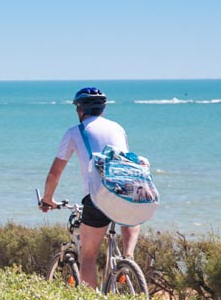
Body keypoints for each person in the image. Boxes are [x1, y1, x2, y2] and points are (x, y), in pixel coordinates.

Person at [39, 87, 146, 289]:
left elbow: (55, 173)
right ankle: (128, 258)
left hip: (98, 197)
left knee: (88, 256)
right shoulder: (118, 128)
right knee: (129, 212)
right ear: (102, 109)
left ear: (80, 110)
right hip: (128, 191)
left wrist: (47, 199)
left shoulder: (74, 132)